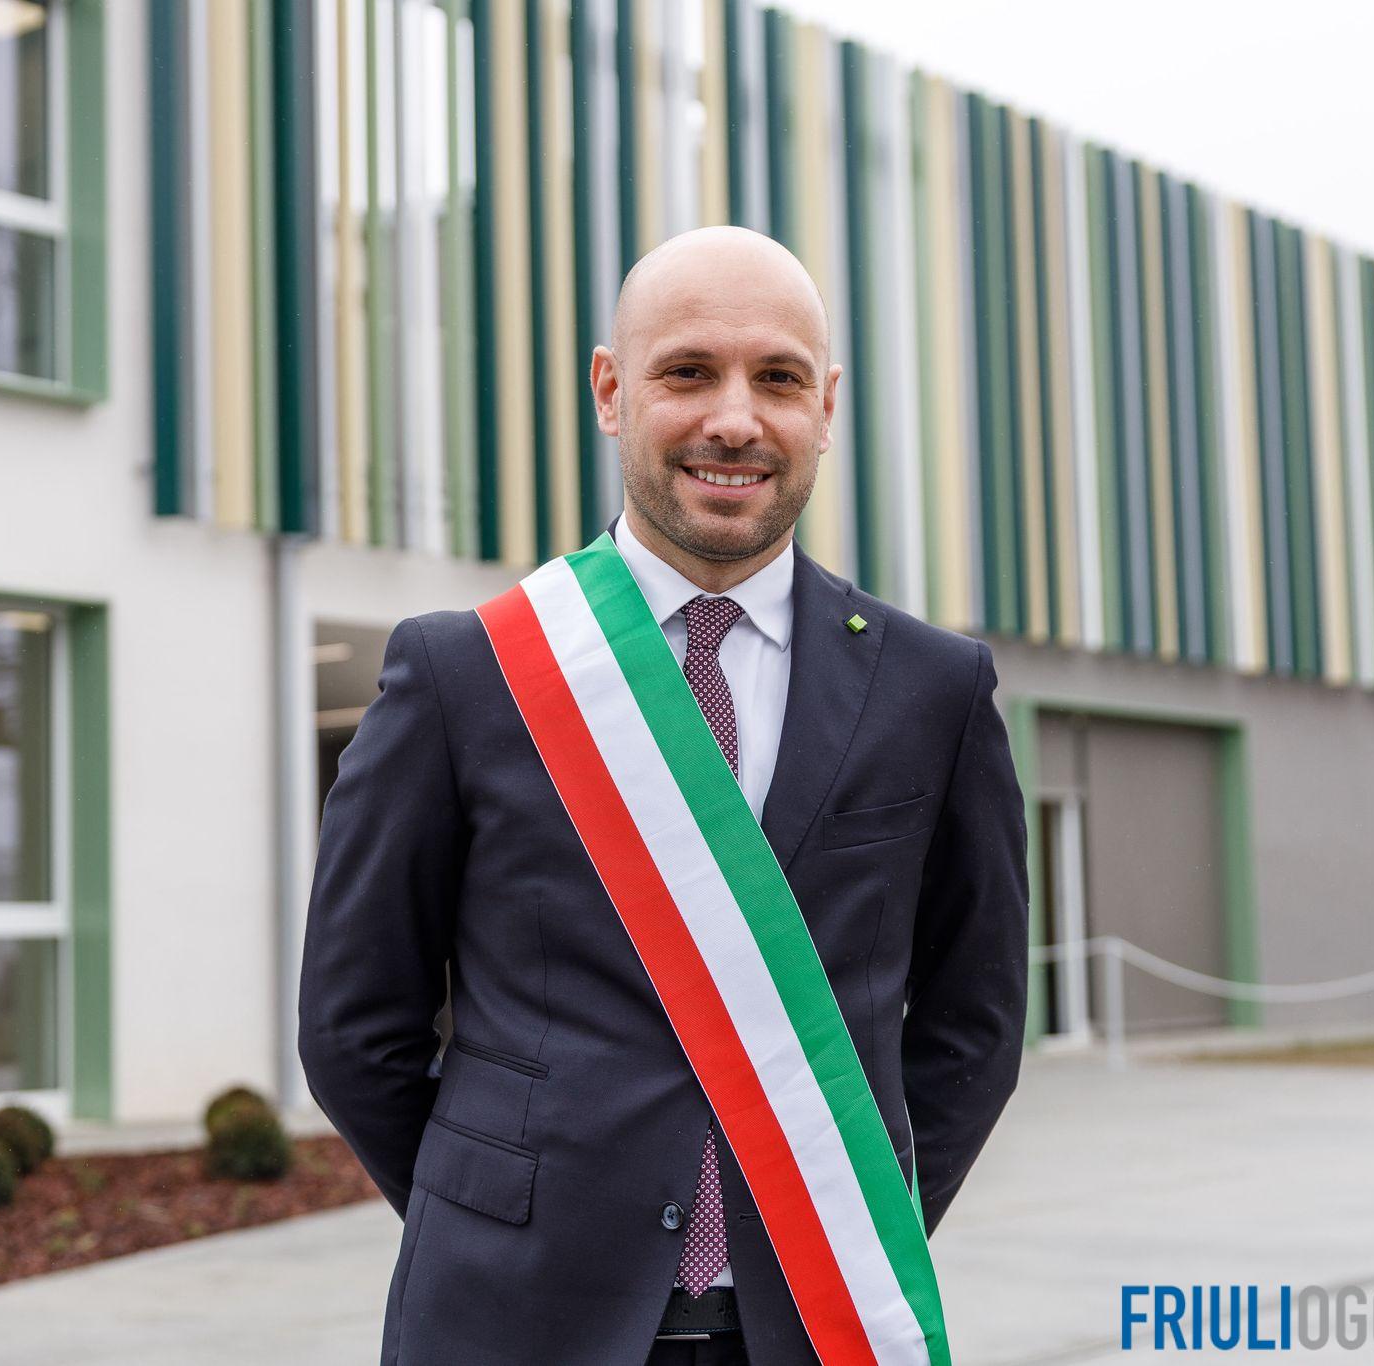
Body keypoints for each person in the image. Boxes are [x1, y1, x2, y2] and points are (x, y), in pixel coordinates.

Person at [298, 225, 1028, 1366]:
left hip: (816, 1323)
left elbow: (974, 1020)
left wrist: (850, 1228)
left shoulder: (933, 689)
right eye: (688, 371)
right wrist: (495, 1216)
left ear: (825, 407)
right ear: (610, 391)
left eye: (777, 378)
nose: (734, 420)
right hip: (512, 1321)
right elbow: (353, 1026)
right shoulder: (465, 674)